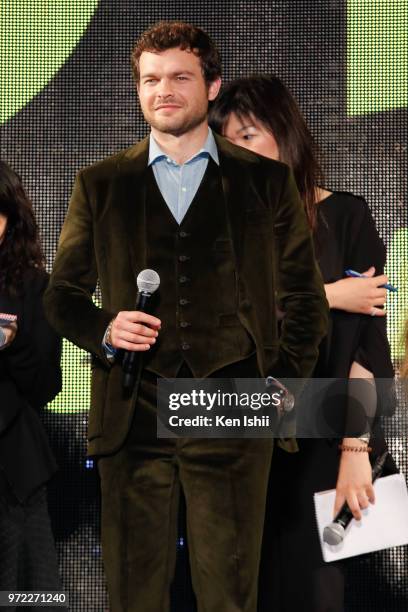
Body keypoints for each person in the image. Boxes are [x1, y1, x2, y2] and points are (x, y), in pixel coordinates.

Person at [44, 21, 328, 612]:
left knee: (228, 594)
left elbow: (305, 299)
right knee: (134, 593)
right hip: (133, 405)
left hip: (232, 400)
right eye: (150, 79)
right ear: (138, 90)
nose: (163, 90)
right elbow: (61, 296)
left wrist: (285, 382)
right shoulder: (100, 184)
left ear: (212, 85)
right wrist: (105, 329)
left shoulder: (265, 182)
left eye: (179, 77)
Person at [209, 74, 398, 612]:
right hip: (238, 434)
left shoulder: (346, 217)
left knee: (318, 595)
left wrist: (355, 450)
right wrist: (332, 293)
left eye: (248, 135)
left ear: (284, 134)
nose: (235, 150)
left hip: (322, 439)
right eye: (225, 140)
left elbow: (369, 349)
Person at [0, 160, 62, 601]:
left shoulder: (33, 287)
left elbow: (46, 386)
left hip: (13, 472)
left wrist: (11, 343)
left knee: (29, 594)